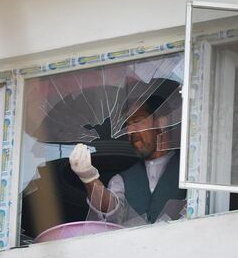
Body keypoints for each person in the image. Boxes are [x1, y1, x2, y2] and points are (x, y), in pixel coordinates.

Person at [69, 91, 186, 225]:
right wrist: (89, 178)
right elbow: (112, 213)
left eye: (137, 121)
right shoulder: (122, 180)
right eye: (127, 125)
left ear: (161, 122)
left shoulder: (190, 171)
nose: (130, 131)